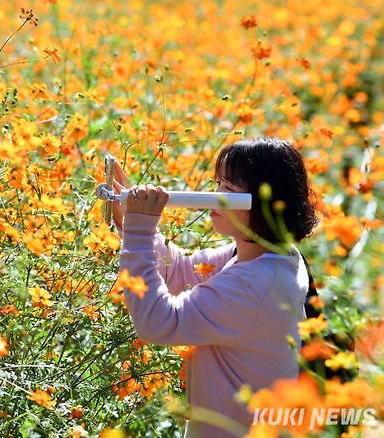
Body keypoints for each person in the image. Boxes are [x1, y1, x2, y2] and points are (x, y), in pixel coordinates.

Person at [111, 138, 319, 437]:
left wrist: (140, 232)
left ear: (262, 202)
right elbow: (182, 271)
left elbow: (158, 323)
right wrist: (133, 225)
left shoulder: (255, 284)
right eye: (218, 183)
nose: (215, 196)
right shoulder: (266, 255)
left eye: (230, 190)